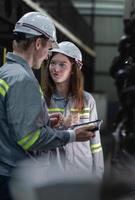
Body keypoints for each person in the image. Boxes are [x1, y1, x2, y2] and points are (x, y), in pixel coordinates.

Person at [0, 12, 95, 200]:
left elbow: (9, 123)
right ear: (37, 43)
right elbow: (30, 139)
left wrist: (45, 122)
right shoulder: (24, 80)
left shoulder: (1, 74)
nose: (46, 58)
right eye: (48, 49)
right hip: (15, 176)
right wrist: (72, 135)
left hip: (0, 172)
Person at [44, 41, 104, 178]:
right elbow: (39, 140)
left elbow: (95, 145)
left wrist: (98, 176)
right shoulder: (43, 101)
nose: (55, 69)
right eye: (53, 63)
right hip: (53, 176)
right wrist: (61, 126)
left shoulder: (87, 101)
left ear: (73, 69)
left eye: (62, 64)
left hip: (83, 175)